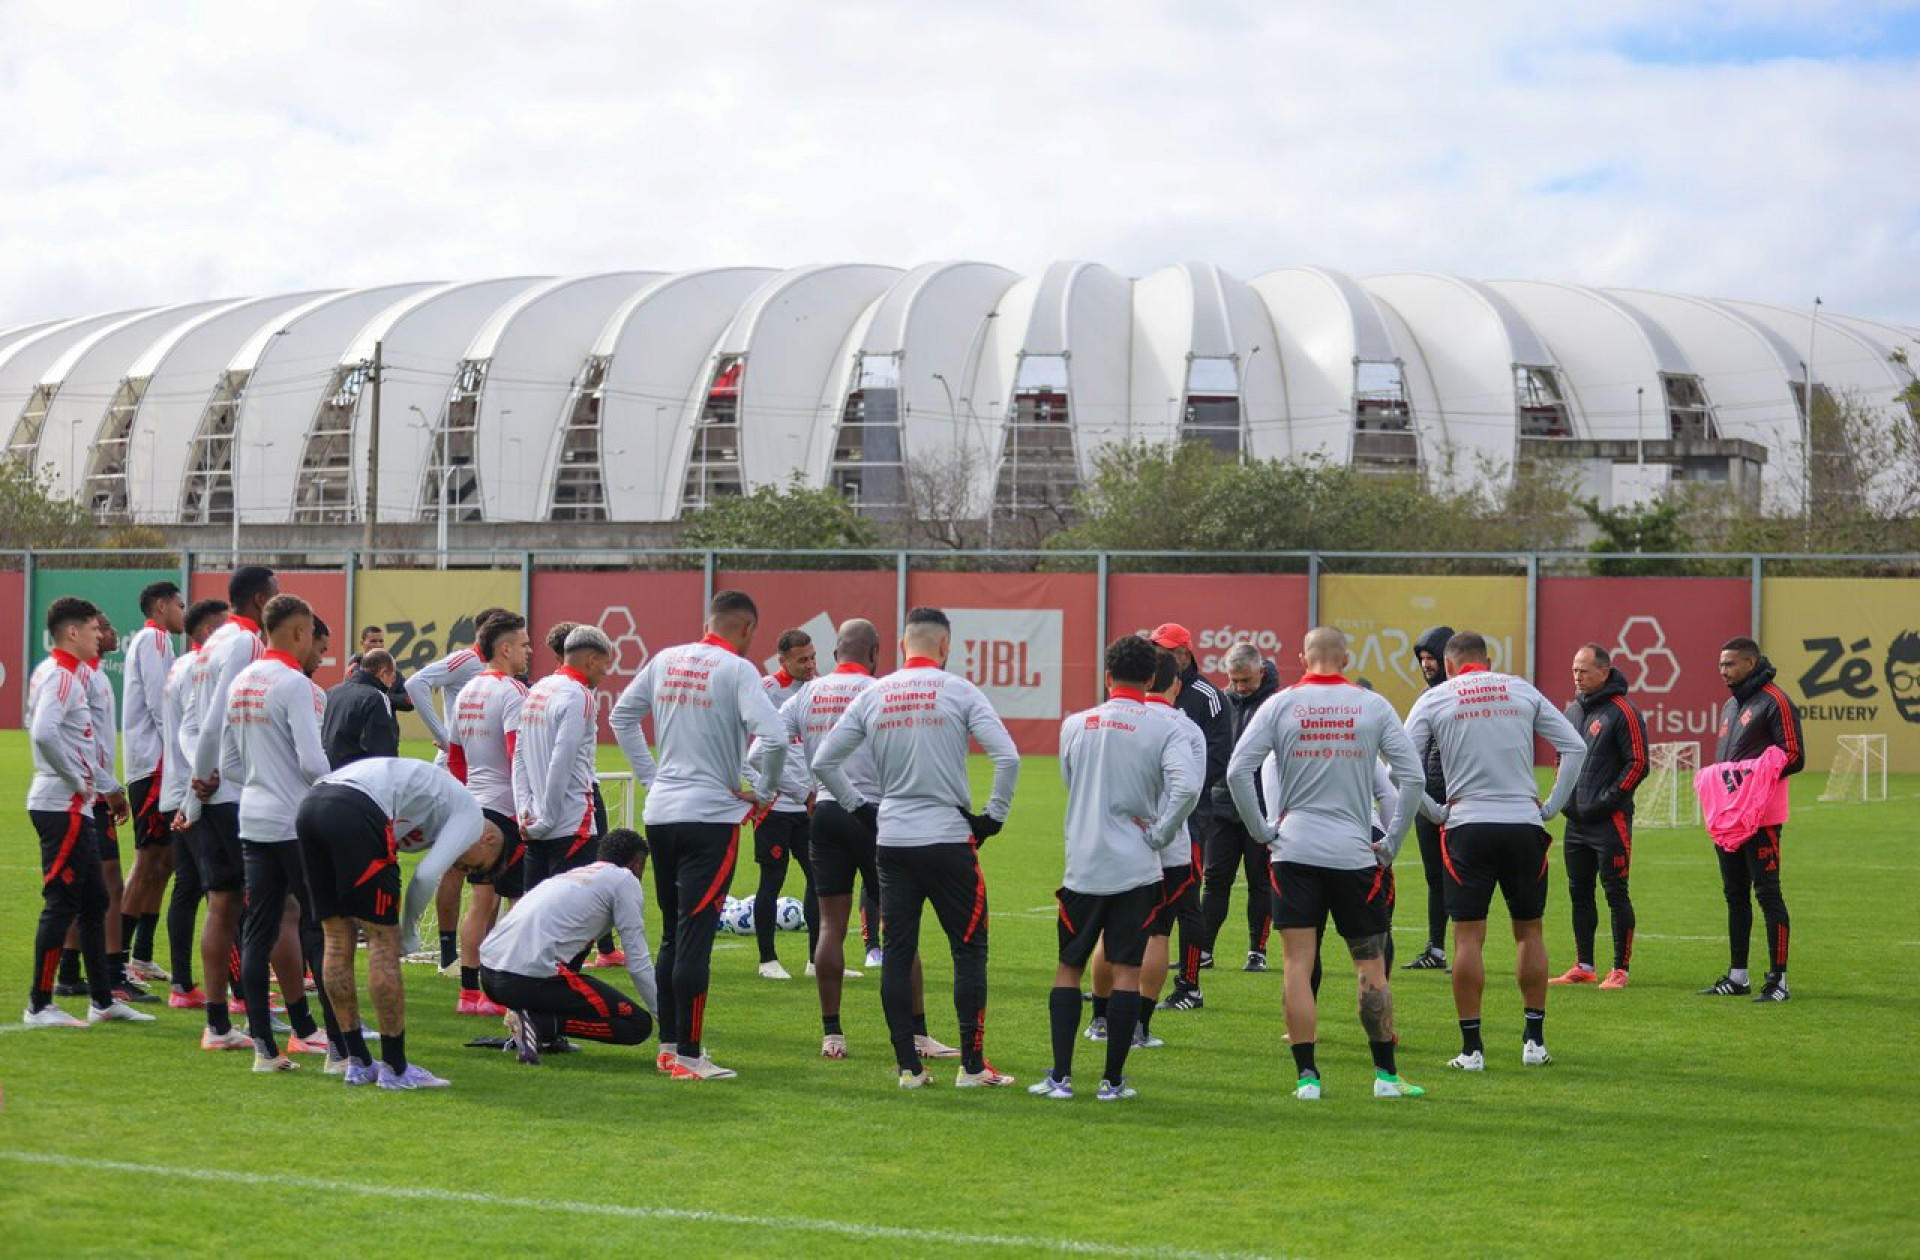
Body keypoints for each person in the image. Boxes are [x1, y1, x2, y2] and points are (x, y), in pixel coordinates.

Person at [814, 605, 1021, 1090]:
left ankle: (909, 1068)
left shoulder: (875, 692)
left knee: (897, 951)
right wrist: (992, 818)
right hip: (948, 839)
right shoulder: (959, 690)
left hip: (893, 841)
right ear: (945, 646)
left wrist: (861, 808)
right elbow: (1007, 757)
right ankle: (972, 1067)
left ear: (903, 644)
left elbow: (824, 761)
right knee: (968, 952)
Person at [1227, 627, 1428, 1101]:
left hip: (1294, 851)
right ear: (1346, 658)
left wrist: (1262, 831)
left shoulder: (1279, 705)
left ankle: (1307, 1078)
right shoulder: (1371, 705)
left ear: (1302, 659)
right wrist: (1392, 840)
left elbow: (1237, 770)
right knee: (1370, 964)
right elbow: (1412, 778)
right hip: (1354, 853)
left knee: (1297, 965)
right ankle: (1385, 1077)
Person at [610, 591, 786, 1081]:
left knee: (673, 933)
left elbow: (621, 716)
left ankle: (670, 1047)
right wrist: (765, 792)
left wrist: (651, 777)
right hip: (710, 817)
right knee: (694, 937)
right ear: (747, 628)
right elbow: (774, 737)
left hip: (662, 813)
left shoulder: (665, 659)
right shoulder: (737, 669)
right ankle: (689, 1056)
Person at [1403, 631, 1586, 1073]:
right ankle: (1534, 1042)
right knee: (1530, 933)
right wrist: (1551, 806)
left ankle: (1472, 1050)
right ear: (1488, 661)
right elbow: (1575, 746)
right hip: (1523, 823)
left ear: (1449, 666)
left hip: (1467, 825)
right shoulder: (1519, 688)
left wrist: (1432, 810)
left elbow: (1402, 766)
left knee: (1467, 938)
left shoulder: (1436, 698)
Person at [1032, 635, 1199, 1102]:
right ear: (1151, 679)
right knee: (1127, 970)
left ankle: (1061, 1077)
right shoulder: (1163, 727)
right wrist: (1161, 834)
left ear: (1107, 676)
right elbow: (1187, 788)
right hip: (1136, 866)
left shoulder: (1075, 724)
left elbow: (1071, 781)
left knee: (1069, 966)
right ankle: (1112, 1081)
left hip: (1083, 864)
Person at [784, 618, 952, 1062]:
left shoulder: (807, 694)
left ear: (834, 652)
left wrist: (796, 789)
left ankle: (832, 1034)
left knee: (829, 927)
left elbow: (763, 748)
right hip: (877, 816)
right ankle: (918, 1035)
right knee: (900, 929)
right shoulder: (881, 692)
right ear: (876, 653)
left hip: (826, 813)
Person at [296, 755, 505, 1088]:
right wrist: (407, 933)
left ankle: (358, 1061)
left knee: (335, 937)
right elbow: (425, 877)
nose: (465, 871)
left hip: (312, 805)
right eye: (476, 867)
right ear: (488, 840)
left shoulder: (437, 806)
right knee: (383, 941)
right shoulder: (472, 817)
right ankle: (395, 1069)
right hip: (356, 808)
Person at [215, 593, 341, 1072]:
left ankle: (265, 1050)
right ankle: (338, 1049)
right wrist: (335, 791)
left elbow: (228, 762)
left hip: (253, 818)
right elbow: (311, 761)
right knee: (321, 930)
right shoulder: (293, 684)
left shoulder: (241, 681)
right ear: (298, 632)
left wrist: (262, 775)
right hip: (296, 821)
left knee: (258, 930)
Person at [22, 598, 151, 1028]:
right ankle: (40, 1004)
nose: (101, 635)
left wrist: (106, 786)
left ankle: (102, 1000)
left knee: (95, 899)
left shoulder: (62, 674)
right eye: (95, 629)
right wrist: (78, 780)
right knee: (61, 903)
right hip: (61, 806)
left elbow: (67, 740)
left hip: (73, 805)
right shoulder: (62, 676)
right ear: (73, 632)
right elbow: (43, 733)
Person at [182, 564, 275, 1051]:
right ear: (261, 599)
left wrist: (195, 784)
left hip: (212, 789)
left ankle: (219, 1024)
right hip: (234, 792)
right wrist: (207, 777)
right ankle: (273, 1024)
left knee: (223, 904)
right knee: (275, 906)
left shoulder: (212, 642)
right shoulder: (244, 643)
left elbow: (191, 721)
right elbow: (220, 717)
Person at [481, 829, 660, 1066]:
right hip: (523, 978)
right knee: (638, 1024)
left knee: (570, 973)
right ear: (637, 864)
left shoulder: (572, 876)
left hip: (489, 975)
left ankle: (542, 1035)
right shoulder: (624, 880)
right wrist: (667, 1020)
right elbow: (638, 962)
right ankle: (538, 1025)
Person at [1698, 637, 1804, 1002]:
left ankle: (1779, 980)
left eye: (1729, 664)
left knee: (1768, 893)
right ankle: (1737, 976)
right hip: (1729, 818)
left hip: (1763, 817)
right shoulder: (1731, 705)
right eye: (1720, 664)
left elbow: (1795, 755)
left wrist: (1749, 777)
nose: (1723, 671)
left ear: (1750, 663)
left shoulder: (1776, 701)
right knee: (1734, 894)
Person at [404, 607, 511, 969]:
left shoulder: (501, 679)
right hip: (458, 772)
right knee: (456, 864)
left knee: (487, 867)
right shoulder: (468, 660)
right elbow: (415, 684)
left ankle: (479, 954)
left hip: (479, 773)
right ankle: (450, 955)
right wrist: (443, 736)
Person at [1551, 644, 1647, 991]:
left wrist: (1607, 801)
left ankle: (1620, 969)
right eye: (1574, 670)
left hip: (1610, 822)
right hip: (1575, 822)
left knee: (1615, 893)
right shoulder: (1572, 710)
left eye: (1584, 670)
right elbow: (1561, 756)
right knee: (1579, 893)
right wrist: (1564, 795)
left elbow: (1638, 763)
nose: (1577, 676)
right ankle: (1584, 965)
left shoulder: (1624, 711)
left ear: (1604, 672)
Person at [449, 613, 531, 1016]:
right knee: (519, 903)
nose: (529, 652)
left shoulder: (467, 692)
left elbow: (455, 758)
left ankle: (469, 993)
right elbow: (518, 754)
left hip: (474, 808)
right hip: (506, 810)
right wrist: (527, 809)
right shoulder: (513, 691)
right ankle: (506, 989)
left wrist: (465, 804)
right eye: (524, 645)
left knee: (480, 903)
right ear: (505, 648)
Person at [1146, 623, 1229, 1011]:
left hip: (1190, 816)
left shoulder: (1208, 697)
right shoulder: (1149, 692)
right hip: (1151, 814)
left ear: (1185, 653)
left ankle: (1190, 985)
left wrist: (1180, 791)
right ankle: (1121, 983)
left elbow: (1218, 757)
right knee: (1143, 902)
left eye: (1165, 649)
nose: (1159, 654)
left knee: (1185, 902)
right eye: (1155, 648)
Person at [157, 598, 228, 1007]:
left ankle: (183, 985)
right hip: (196, 792)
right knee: (222, 892)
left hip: (180, 788)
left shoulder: (183, 666)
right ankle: (236, 992)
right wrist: (198, 789)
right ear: (207, 630)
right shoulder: (200, 668)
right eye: (224, 625)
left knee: (189, 887)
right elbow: (195, 732)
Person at [515, 625, 613, 889]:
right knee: (575, 912)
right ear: (591, 660)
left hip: (534, 825)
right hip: (572, 827)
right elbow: (562, 760)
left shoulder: (537, 689)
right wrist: (546, 820)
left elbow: (519, 755)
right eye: (605, 664)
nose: (606, 672)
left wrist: (524, 810)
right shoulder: (580, 695)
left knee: (535, 910)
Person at [120, 580, 184, 986]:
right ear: (161, 606)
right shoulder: (154, 639)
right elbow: (162, 704)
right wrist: (179, 755)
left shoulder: (157, 641)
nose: (183, 611)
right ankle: (118, 960)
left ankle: (141, 955)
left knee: (166, 861)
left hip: (157, 763)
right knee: (148, 862)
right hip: (155, 764)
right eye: (180, 604)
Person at [746, 628, 819, 981]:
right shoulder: (767, 690)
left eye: (813, 657)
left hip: (809, 806)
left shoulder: (816, 689)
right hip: (776, 807)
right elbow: (752, 754)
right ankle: (767, 960)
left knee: (818, 879)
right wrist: (771, 789)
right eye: (802, 660)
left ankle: (816, 961)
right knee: (772, 880)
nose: (810, 665)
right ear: (783, 660)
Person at [1202, 642, 1280, 972]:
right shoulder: (1221, 702)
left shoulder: (1277, 704)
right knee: (1214, 880)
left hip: (1261, 806)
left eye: (1245, 680)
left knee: (1259, 881)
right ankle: (1203, 950)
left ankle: (1256, 951)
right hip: (1221, 806)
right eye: (1234, 680)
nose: (1239, 687)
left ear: (1261, 671)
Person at [1401, 624, 1455, 972]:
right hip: (1428, 799)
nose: (1426, 664)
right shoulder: (1426, 696)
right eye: (1421, 658)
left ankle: (1463, 950)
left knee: (1462, 878)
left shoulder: (1458, 695)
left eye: (1431, 657)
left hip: (1458, 800)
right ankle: (1436, 948)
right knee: (1435, 877)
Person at [323, 649, 403, 767]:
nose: (394, 681)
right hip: (354, 773)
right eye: (393, 676)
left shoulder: (331, 693)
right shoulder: (376, 698)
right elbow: (384, 752)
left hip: (325, 772)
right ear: (383, 673)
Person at [347, 625, 412, 711]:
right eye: (373, 641)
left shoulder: (392, 671)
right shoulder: (353, 669)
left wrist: (382, 697)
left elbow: (409, 701)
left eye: (381, 641)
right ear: (362, 643)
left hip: (384, 718)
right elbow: (349, 696)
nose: (378, 645)